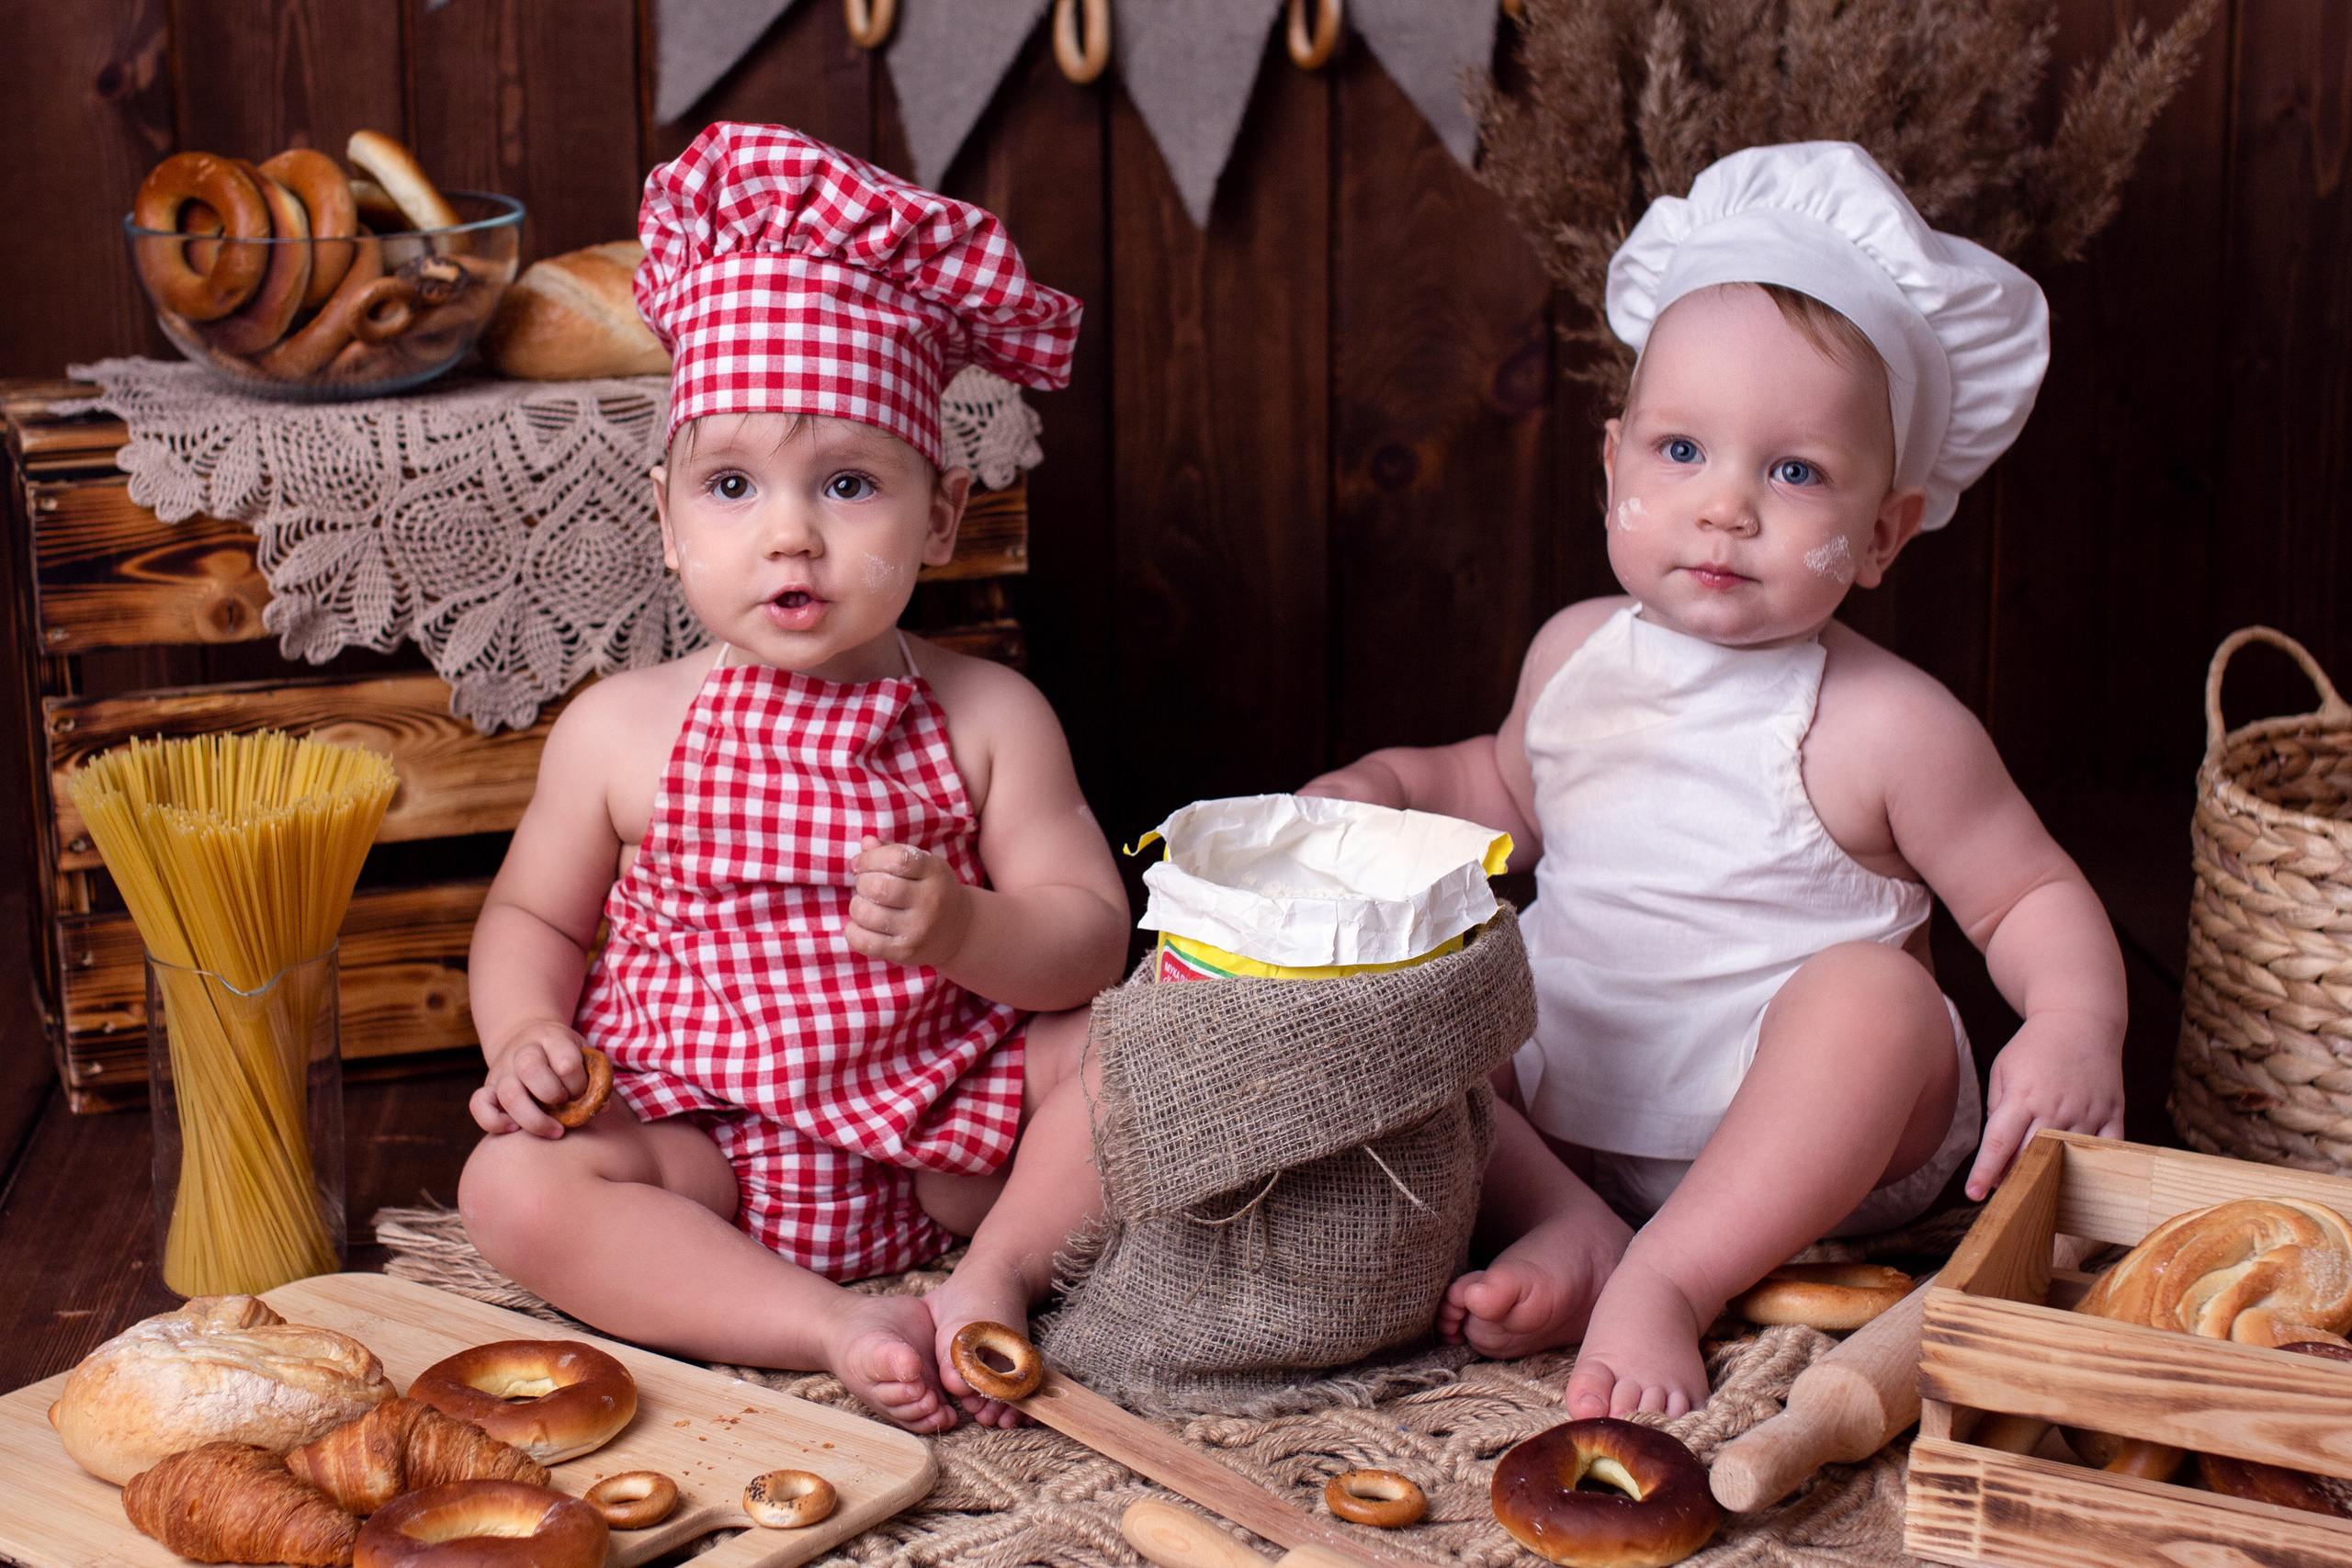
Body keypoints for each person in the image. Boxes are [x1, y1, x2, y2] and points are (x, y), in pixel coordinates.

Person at [1300, 142, 2126, 1420]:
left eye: (1794, 472)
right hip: (1576, 1091)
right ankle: (1569, 1223)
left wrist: (2076, 1023)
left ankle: (1672, 1279)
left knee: (1876, 1001)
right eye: (1683, 452)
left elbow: (2024, 895)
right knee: (1421, 981)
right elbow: (1504, 792)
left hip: (1813, 1144)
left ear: (1886, 531)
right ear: (1614, 467)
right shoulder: (1575, 655)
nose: (1726, 506)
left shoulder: (1889, 723)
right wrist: (1391, 786)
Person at [457, 123, 1130, 1434]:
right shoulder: (619, 730)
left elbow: (1093, 941)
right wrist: (526, 1037)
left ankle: (989, 1281)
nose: (789, 535)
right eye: (729, 484)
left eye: (846, 483)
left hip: (955, 1137)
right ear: (665, 521)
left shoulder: (991, 714)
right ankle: (825, 1327)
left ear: (938, 519)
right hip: (696, 1144)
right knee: (509, 1191)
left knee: (1131, 1054)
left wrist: (969, 928)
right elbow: (531, 919)